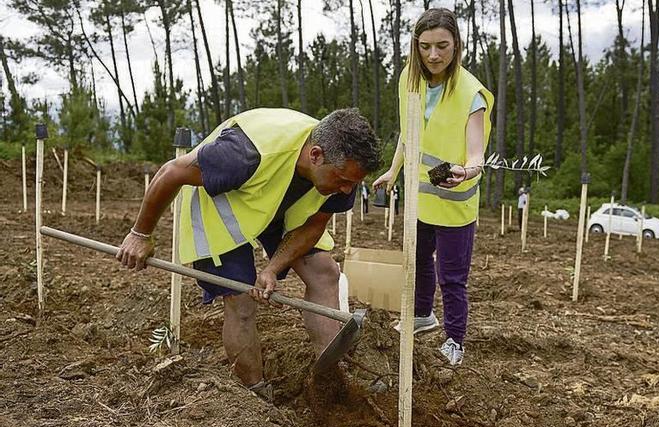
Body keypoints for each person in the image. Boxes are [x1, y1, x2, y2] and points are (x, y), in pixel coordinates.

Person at [116, 108, 381, 400]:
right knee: (241, 299)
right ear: (315, 155)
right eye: (343, 180)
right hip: (222, 206)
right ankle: (257, 396)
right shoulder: (243, 154)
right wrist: (140, 234)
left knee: (325, 273)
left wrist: (271, 268)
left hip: (277, 202)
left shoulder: (344, 170)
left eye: (353, 183)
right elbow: (172, 171)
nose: (347, 190)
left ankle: (331, 378)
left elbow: (314, 225)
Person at [372, 8, 493, 366]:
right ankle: (423, 314)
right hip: (419, 199)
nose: (433, 55)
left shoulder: (472, 94)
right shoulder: (409, 78)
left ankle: (455, 340)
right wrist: (392, 172)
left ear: (456, 45)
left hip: (455, 201)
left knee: (452, 277)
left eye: (442, 46)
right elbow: (409, 135)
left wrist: (467, 173)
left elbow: (476, 154)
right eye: (425, 46)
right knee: (419, 260)